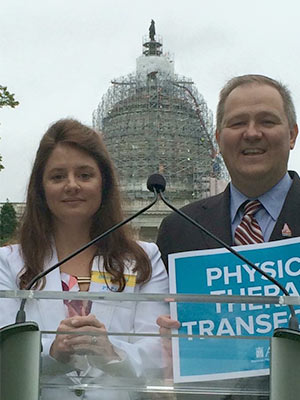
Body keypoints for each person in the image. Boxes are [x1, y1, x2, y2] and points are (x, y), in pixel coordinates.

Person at [0, 119, 169, 400]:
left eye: (85, 175)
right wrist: (53, 355)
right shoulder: (7, 263)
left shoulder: (144, 259)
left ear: (104, 183)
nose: (72, 185)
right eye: (57, 176)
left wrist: (111, 351)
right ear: (40, 189)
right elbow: (6, 357)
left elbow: (157, 356)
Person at [156, 74, 300, 399]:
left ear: (292, 134)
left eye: (267, 121)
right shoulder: (180, 229)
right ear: (219, 139)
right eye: (237, 123)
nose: (252, 133)